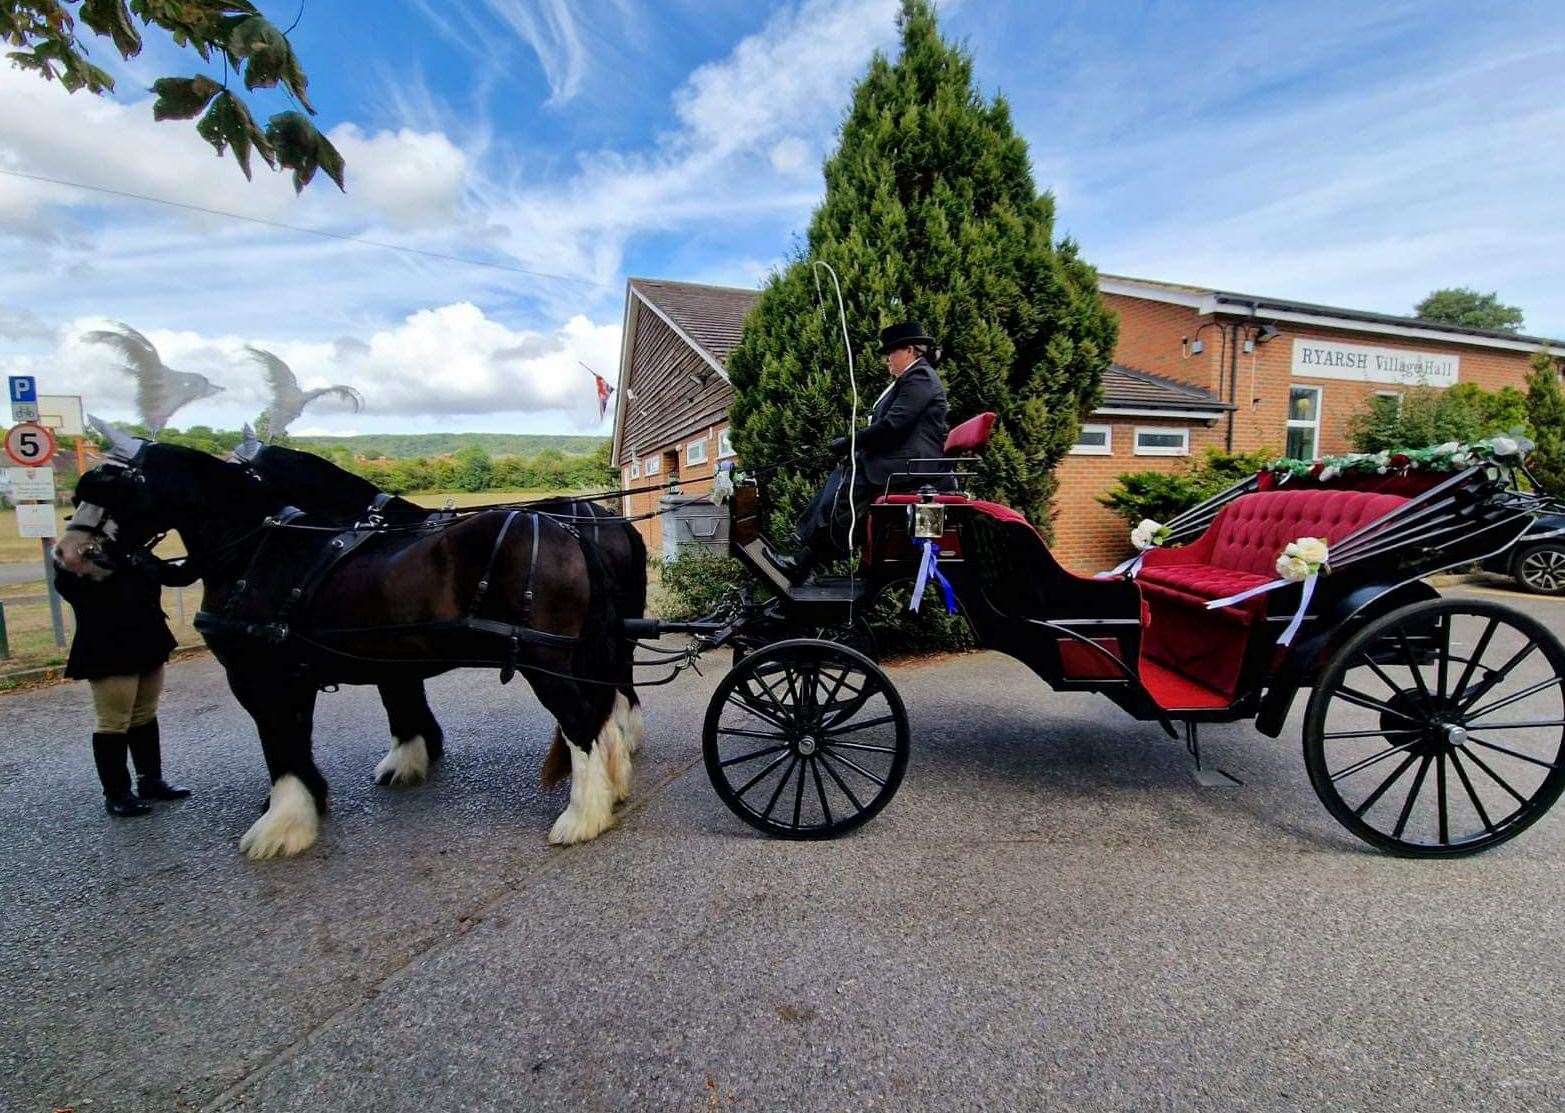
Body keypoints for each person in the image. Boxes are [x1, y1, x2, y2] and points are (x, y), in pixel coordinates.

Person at [769, 320, 953, 583]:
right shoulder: (911, 378)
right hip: (903, 460)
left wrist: (850, 441)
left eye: (891, 352)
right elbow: (889, 426)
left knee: (849, 484)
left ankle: (806, 559)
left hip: (913, 465)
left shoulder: (919, 377)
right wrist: (853, 446)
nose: (887, 359)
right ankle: (806, 554)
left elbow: (892, 425)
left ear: (910, 351)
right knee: (843, 475)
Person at [53, 531, 193, 818]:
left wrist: (205, 551)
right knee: (114, 722)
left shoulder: (134, 550)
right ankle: (116, 793)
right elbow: (70, 588)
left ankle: (150, 781)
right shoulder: (79, 561)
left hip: (148, 641)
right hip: (108, 648)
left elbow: (176, 577)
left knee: (144, 714)